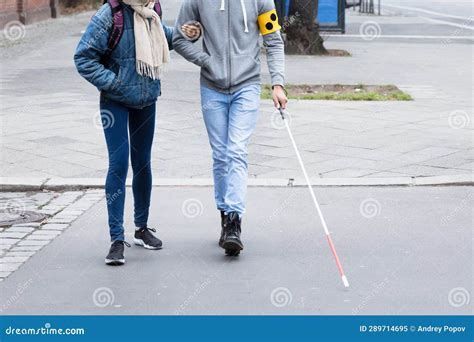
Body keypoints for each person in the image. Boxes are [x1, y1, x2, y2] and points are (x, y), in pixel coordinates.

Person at [74, 0, 200, 265]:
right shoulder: (110, 14)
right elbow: (83, 57)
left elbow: (164, 37)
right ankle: (117, 239)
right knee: (119, 165)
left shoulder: (150, 10)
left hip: (146, 99)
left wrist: (189, 32)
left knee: (142, 164)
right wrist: (114, 82)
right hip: (115, 102)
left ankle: (142, 228)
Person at [174, 0, 288, 256]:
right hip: (211, 88)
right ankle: (225, 215)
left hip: (247, 85)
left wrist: (278, 83)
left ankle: (234, 221)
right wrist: (206, 60)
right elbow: (179, 39)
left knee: (236, 150)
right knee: (221, 154)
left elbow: (273, 40)